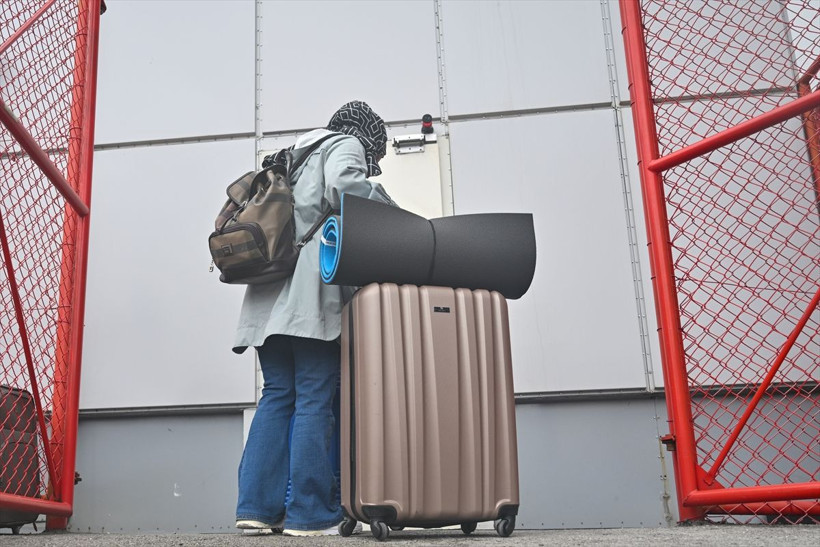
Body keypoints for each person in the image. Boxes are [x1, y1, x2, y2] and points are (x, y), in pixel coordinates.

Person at [233, 101, 394, 536]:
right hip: (306, 298)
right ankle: (309, 513)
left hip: (267, 299)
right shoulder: (345, 144)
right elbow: (347, 185)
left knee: (277, 395)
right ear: (368, 137)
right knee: (313, 398)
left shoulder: (292, 154)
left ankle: (256, 509)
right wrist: (390, 209)